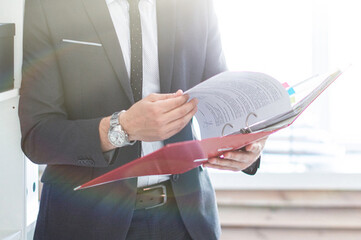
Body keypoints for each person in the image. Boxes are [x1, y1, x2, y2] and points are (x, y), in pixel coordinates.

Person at [19, 0, 265, 239]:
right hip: (86, 221)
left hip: (186, 220)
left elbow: (224, 102)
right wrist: (122, 128)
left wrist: (249, 146)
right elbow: (38, 136)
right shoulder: (48, 5)